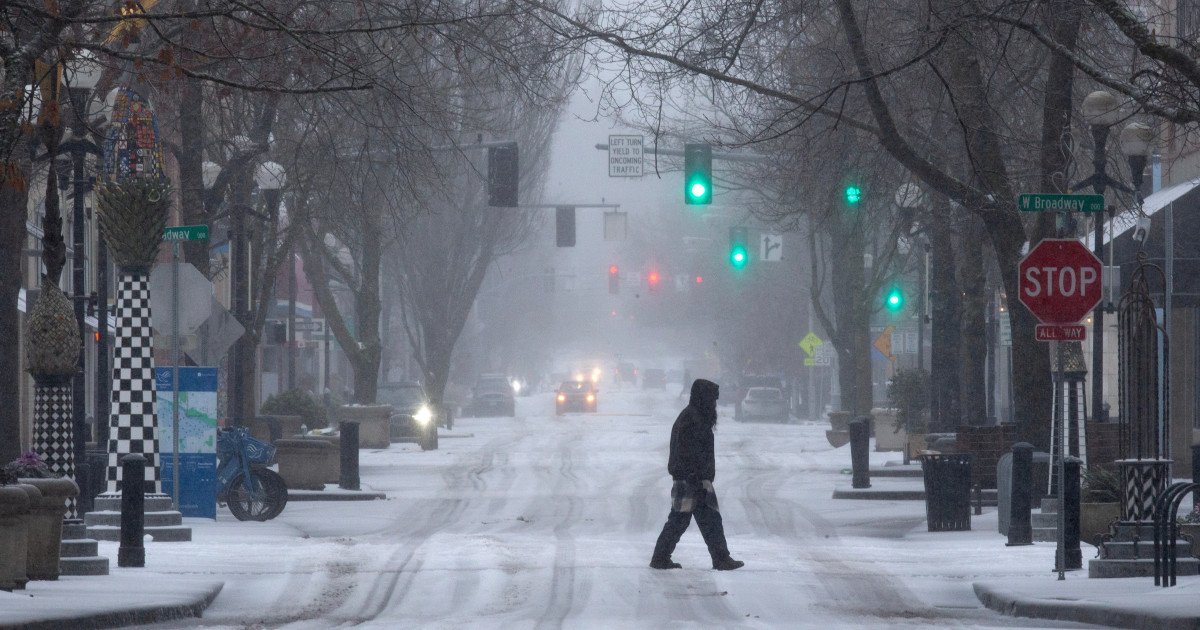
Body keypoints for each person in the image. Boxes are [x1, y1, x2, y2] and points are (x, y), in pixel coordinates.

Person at [650, 379, 744, 571]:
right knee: (683, 521)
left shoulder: (694, 417)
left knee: (703, 520)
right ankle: (662, 558)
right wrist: (696, 476)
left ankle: (720, 558)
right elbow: (687, 452)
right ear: (704, 399)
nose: (714, 405)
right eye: (712, 400)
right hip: (692, 480)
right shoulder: (692, 420)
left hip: (694, 479)